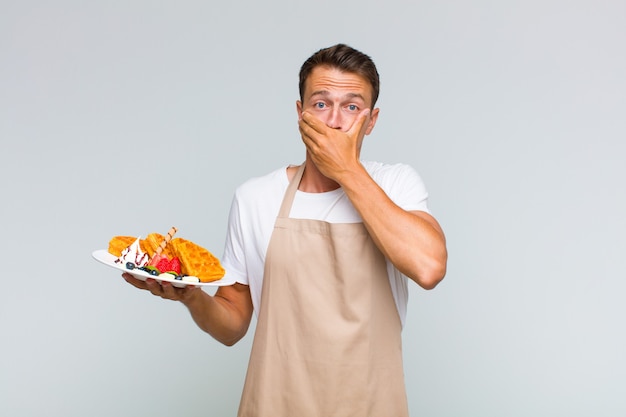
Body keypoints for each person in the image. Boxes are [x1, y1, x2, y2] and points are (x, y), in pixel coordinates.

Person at [123, 43, 447, 416]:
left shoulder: (396, 185)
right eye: (321, 104)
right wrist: (192, 296)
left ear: (371, 121)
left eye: (352, 107)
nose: (334, 121)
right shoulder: (256, 197)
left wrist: (345, 168)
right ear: (300, 113)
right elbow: (232, 325)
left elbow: (429, 267)